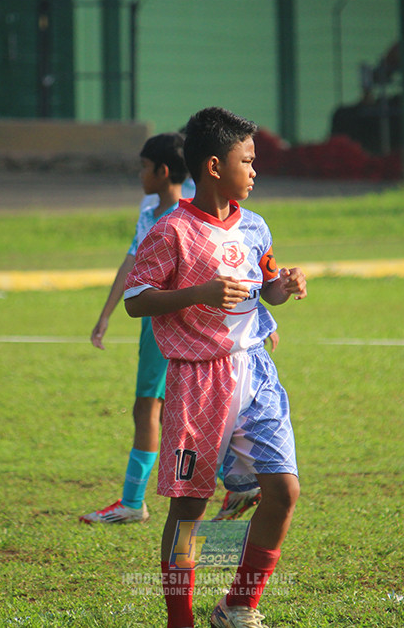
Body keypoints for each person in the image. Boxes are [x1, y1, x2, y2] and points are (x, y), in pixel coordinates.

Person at [124, 107, 307, 628]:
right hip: (199, 381)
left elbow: (264, 285)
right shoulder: (172, 230)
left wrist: (284, 287)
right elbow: (137, 300)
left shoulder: (255, 226)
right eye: (246, 161)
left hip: (256, 371)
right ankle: (179, 620)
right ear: (212, 166)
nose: (255, 171)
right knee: (189, 508)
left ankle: (238, 606)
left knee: (283, 490)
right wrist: (198, 293)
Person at [80, 133, 262, 525]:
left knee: (152, 409)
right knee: (181, 416)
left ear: (163, 171)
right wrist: (107, 313)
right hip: (207, 335)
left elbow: (137, 273)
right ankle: (236, 485)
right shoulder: (171, 213)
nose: (140, 174)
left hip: (170, 330)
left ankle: (134, 502)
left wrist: (260, 315)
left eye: (144, 167)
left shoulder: (171, 219)